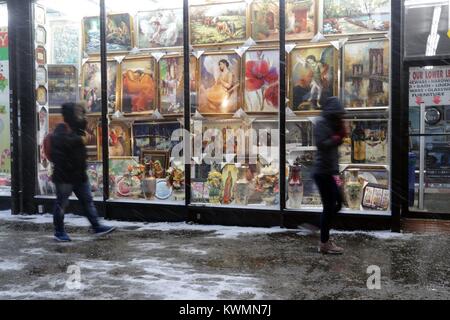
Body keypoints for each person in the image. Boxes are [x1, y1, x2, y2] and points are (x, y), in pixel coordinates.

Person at [50, 102, 116, 242]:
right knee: (61, 204)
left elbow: (83, 130)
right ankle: (59, 232)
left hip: (79, 175)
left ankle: (96, 226)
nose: (80, 116)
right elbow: (64, 143)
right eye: (77, 113)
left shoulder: (77, 129)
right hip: (65, 176)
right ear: (70, 115)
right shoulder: (62, 129)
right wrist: (80, 139)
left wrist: (82, 121)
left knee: (88, 202)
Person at [313, 96, 346, 254]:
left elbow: (333, 145)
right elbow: (321, 144)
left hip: (332, 171)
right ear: (333, 113)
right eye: (338, 114)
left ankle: (322, 231)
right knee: (330, 205)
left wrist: (338, 137)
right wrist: (336, 138)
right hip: (323, 172)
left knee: (339, 202)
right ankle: (324, 242)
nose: (340, 117)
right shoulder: (321, 124)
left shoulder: (333, 124)